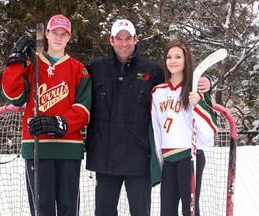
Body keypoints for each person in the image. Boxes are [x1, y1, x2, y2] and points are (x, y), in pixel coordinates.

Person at [85, 19, 211, 216]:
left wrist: (203, 82)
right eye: (119, 38)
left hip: (138, 158)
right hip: (105, 157)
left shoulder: (152, 71)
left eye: (128, 38)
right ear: (111, 40)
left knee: (142, 211)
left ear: (136, 39)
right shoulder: (95, 68)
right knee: (103, 211)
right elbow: (70, 78)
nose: (124, 43)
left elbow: (177, 82)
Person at [1, 14, 91, 216]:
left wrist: (60, 122)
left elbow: (84, 110)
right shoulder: (32, 64)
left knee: (69, 209)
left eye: (63, 34)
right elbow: (13, 96)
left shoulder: (79, 69)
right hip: (37, 147)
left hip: (69, 148)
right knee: (42, 209)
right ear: (47, 34)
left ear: (69, 37)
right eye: (55, 32)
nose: (59, 37)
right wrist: (16, 61)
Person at [150, 38, 218, 216]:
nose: (173, 61)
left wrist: (198, 105)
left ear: (186, 59)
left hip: (190, 156)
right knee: (167, 210)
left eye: (178, 57)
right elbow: (156, 128)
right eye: (169, 57)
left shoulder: (195, 90)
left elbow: (211, 128)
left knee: (190, 209)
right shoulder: (158, 92)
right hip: (168, 158)